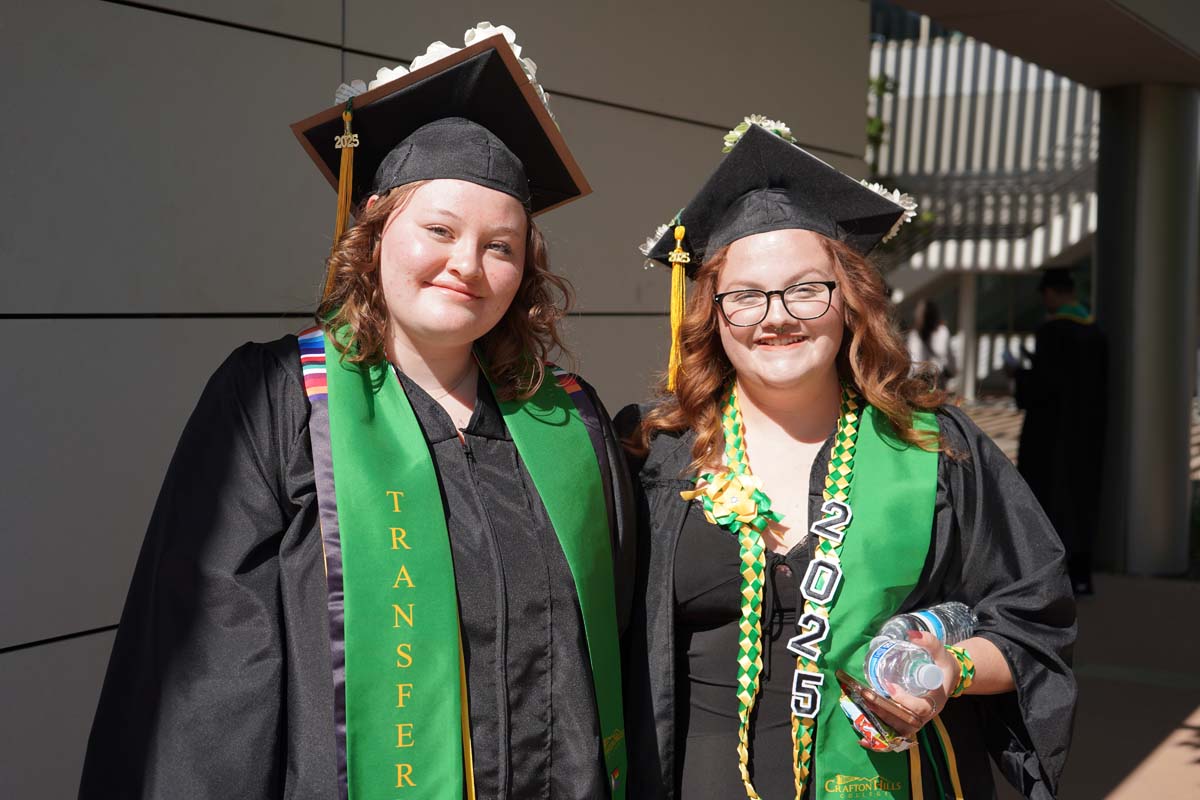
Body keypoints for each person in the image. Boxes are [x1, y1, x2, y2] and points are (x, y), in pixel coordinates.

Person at [79, 25, 632, 800]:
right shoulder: (279, 400)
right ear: (374, 229)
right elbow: (214, 676)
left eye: (501, 246)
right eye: (438, 230)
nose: (467, 265)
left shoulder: (568, 422)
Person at [620, 118, 1075, 799]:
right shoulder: (654, 453)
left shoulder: (934, 448)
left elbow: (1033, 621)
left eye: (807, 289)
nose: (776, 317)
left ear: (850, 302)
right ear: (711, 313)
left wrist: (948, 668)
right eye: (744, 296)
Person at [1014, 268, 1107, 595]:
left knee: (1049, 500)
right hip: (1087, 433)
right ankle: (1083, 574)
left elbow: (1042, 388)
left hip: (1050, 435)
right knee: (1081, 500)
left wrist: (1020, 375)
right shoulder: (1094, 330)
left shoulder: (1052, 332)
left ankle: (1049, 579)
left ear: (1052, 293)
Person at [906, 298, 956, 390]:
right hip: (938, 380)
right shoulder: (943, 331)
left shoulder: (914, 335)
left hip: (919, 381)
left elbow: (912, 362)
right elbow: (950, 359)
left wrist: (908, 380)